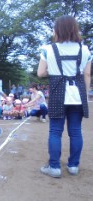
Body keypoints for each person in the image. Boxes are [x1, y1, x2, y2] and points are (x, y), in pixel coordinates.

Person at [37, 15, 92, 178]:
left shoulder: (48, 49)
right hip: (78, 94)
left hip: (57, 92)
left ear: (58, 30)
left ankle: (54, 167)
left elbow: (40, 73)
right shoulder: (85, 49)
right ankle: (73, 166)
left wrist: (53, 71)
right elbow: (87, 74)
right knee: (75, 131)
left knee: (55, 131)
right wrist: (85, 95)